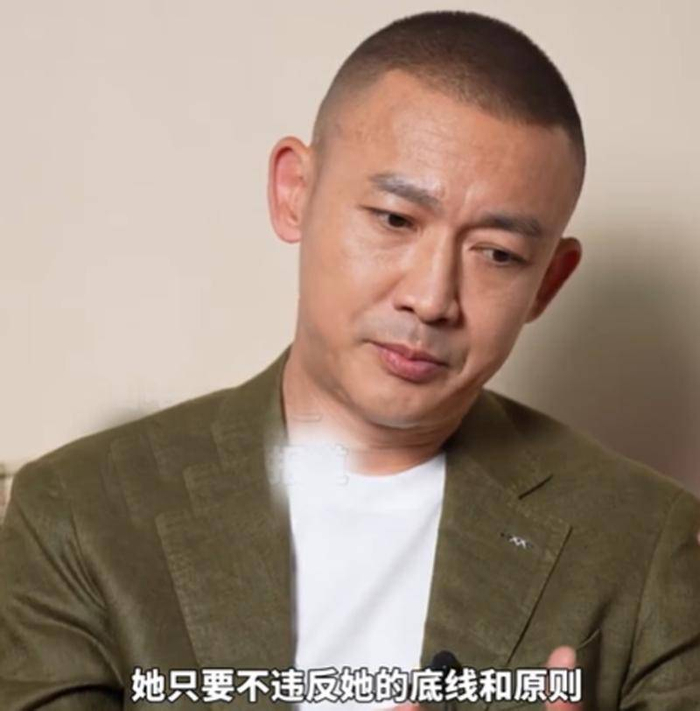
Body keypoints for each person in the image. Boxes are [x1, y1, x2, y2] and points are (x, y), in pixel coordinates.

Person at [0, 10, 698, 711]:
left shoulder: (647, 543)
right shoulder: (79, 514)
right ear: (294, 193)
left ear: (548, 282)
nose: (431, 298)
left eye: (497, 254)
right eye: (395, 219)